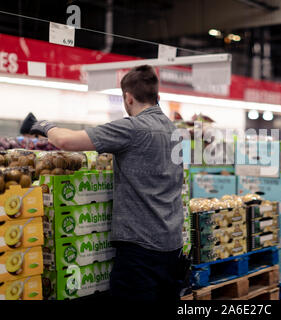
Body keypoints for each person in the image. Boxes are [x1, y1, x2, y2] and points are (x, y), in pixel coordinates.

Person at [23, 65, 187, 301]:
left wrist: (44, 125)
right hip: (171, 248)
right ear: (157, 97)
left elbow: (66, 141)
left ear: (128, 98)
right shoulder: (174, 131)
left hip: (140, 251)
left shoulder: (133, 128)